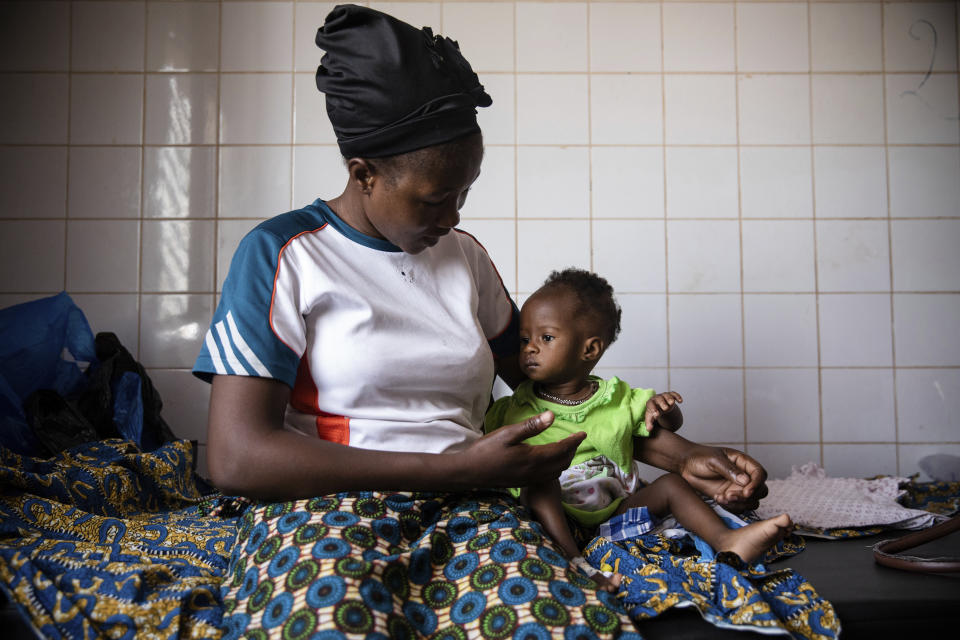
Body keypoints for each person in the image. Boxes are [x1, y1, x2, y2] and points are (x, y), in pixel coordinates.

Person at [193, 5, 773, 637]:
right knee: (333, 620)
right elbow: (236, 457)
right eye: (435, 198)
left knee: (557, 622)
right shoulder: (283, 254)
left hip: (476, 505)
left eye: (463, 193)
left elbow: (555, 400)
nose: (451, 216)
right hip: (327, 508)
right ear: (364, 174)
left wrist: (683, 456)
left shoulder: (463, 258)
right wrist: (450, 469)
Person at [485, 269, 793, 592]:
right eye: (524, 340)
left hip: (615, 513)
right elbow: (486, 446)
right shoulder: (516, 407)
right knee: (540, 479)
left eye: (545, 338)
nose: (529, 348)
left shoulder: (616, 397)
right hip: (558, 517)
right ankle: (579, 567)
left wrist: (665, 409)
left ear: (589, 350)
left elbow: (662, 426)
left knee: (671, 485)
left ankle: (727, 539)